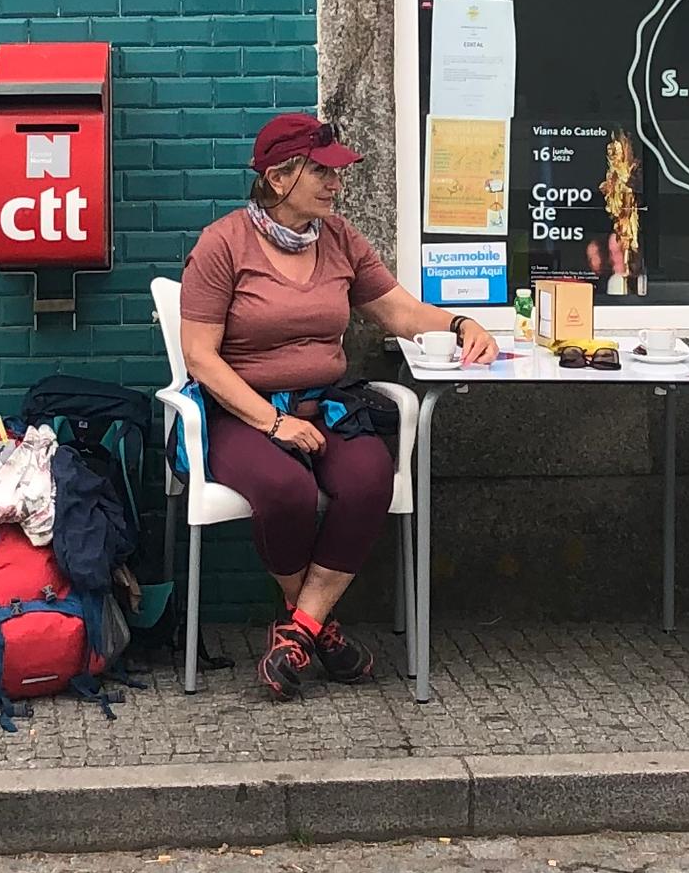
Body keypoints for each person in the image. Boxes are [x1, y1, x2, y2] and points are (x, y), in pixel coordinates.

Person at [178, 110, 499, 700]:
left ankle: (300, 628)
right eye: (321, 172)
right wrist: (272, 421)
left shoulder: (342, 238)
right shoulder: (221, 245)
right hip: (242, 410)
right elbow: (200, 356)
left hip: (326, 403)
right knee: (285, 490)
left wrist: (460, 322)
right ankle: (322, 633)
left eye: (337, 172)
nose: (336, 184)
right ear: (279, 179)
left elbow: (398, 311)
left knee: (369, 476)